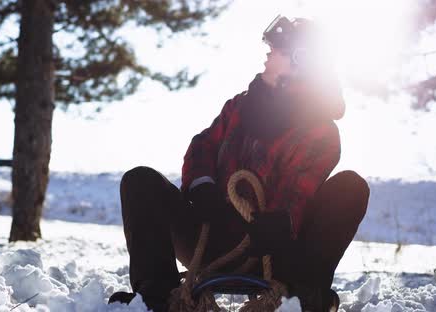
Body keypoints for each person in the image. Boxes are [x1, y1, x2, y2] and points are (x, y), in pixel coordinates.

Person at [109, 15, 370, 312]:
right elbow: (202, 146)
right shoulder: (240, 106)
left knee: (350, 189)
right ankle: (156, 298)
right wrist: (202, 186)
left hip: (275, 253)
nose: (268, 53)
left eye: (277, 50)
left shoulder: (321, 131)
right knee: (140, 182)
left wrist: (279, 223)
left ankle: (303, 297)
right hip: (211, 238)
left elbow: (298, 191)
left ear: (300, 62)